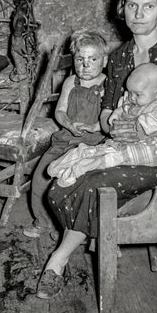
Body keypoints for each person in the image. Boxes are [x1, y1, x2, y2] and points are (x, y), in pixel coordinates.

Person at [36, 0, 157, 300]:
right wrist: (115, 127)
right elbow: (105, 113)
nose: (138, 14)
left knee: (91, 183)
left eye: (149, 6)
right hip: (122, 140)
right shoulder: (118, 57)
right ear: (122, 8)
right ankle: (99, 234)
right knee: (63, 181)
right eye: (131, 5)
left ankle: (58, 260)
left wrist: (145, 128)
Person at [47, 63, 157, 187]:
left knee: (115, 156)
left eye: (137, 94)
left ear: (156, 93)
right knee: (106, 147)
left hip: (153, 148)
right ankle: (80, 154)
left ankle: (81, 167)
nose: (132, 98)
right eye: (130, 93)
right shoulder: (137, 100)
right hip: (130, 142)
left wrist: (138, 124)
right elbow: (124, 109)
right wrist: (116, 116)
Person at [22, 30, 107, 238]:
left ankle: (74, 228)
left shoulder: (108, 84)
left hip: (94, 142)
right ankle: (43, 221)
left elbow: (112, 116)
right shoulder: (70, 82)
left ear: (104, 61)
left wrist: (97, 126)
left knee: (80, 182)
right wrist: (68, 124)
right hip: (67, 139)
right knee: (42, 177)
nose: (85, 65)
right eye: (80, 59)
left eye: (92, 59)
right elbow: (59, 111)